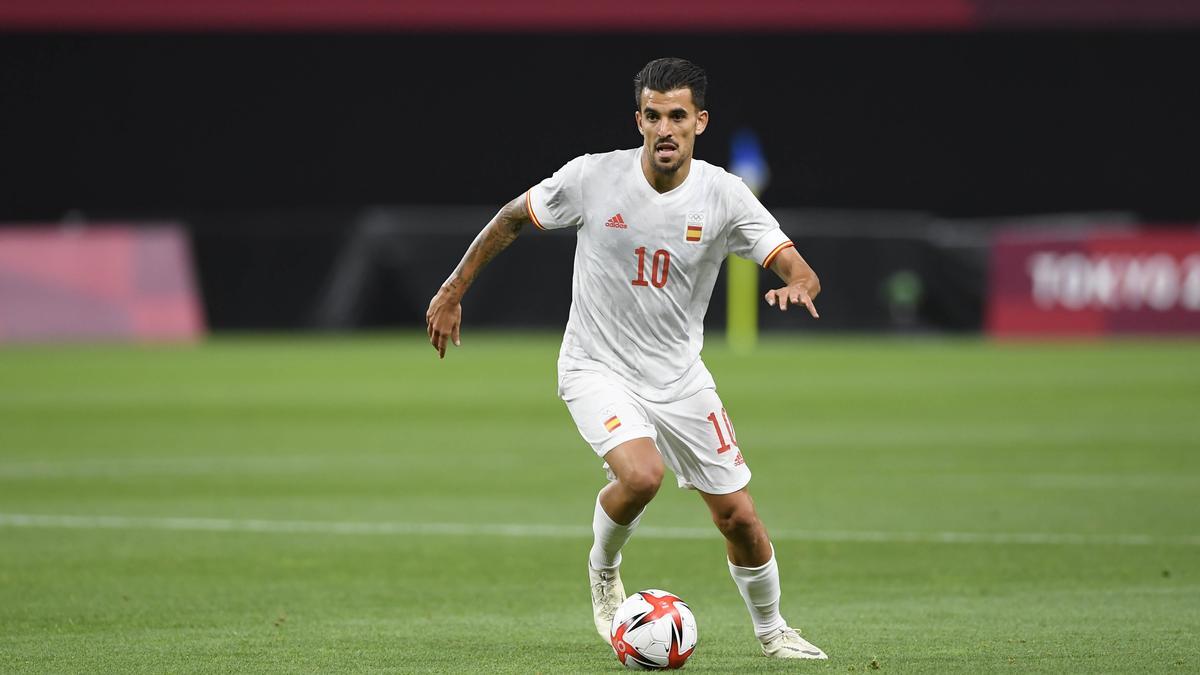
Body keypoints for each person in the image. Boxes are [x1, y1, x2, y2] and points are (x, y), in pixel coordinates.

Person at [426, 57, 825, 660]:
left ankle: (773, 632)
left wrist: (799, 284)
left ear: (700, 122)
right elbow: (512, 217)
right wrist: (454, 289)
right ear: (638, 120)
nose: (667, 129)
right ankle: (604, 568)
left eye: (679, 117)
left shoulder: (724, 194)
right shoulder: (592, 178)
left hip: (679, 377)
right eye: (654, 116)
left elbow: (798, 267)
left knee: (739, 516)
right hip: (595, 365)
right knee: (642, 476)